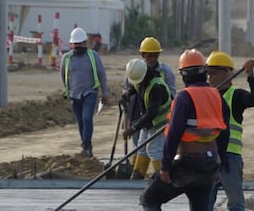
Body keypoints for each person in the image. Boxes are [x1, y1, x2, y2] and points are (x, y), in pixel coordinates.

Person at [139, 49, 230, 211]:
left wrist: (165, 168)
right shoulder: (217, 96)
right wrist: (220, 166)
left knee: (149, 198)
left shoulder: (184, 97)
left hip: (187, 163)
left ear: (183, 74)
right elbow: (224, 134)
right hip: (210, 165)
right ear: (204, 71)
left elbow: (173, 134)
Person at [205, 50, 254, 211]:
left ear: (226, 73)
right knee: (205, 202)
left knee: (235, 202)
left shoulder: (235, 96)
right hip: (210, 158)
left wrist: (251, 76)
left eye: (213, 73)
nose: (209, 77)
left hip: (230, 158)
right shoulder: (207, 96)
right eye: (207, 73)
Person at [59, 27, 111, 157]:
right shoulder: (67, 58)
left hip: (90, 93)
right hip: (74, 95)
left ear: (85, 43)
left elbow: (102, 74)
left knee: (87, 118)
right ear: (72, 44)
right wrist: (68, 89)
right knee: (81, 122)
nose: (78, 46)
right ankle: (87, 146)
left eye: (80, 43)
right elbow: (63, 75)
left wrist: (105, 93)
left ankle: (85, 145)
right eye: (75, 44)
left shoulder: (93, 56)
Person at [122, 57, 172, 180]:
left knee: (154, 151)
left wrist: (133, 128)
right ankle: (137, 177)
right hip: (148, 122)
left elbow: (151, 114)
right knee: (142, 149)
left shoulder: (156, 87)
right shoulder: (141, 79)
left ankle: (163, 180)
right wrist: (128, 93)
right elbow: (135, 87)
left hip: (161, 123)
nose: (137, 82)